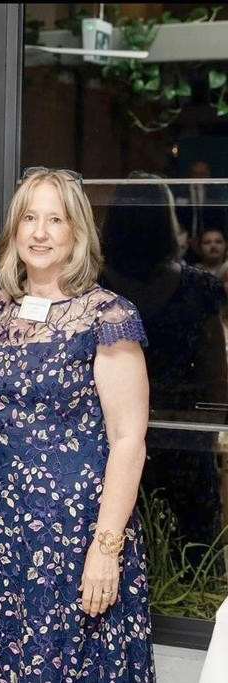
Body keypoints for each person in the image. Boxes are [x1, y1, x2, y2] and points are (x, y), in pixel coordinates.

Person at [0, 168, 155, 682]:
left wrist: (107, 548)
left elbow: (129, 442)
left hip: (77, 531)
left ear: (76, 233)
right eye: (29, 218)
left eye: (54, 220)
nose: (39, 232)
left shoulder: (106, 316)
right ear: (14, 231)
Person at [99, 178, 227, 567]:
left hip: (109, 438)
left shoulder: (93, 289)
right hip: (184, 436)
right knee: (194, 559)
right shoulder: (199, 286)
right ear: (167, 222)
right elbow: (216, 374)